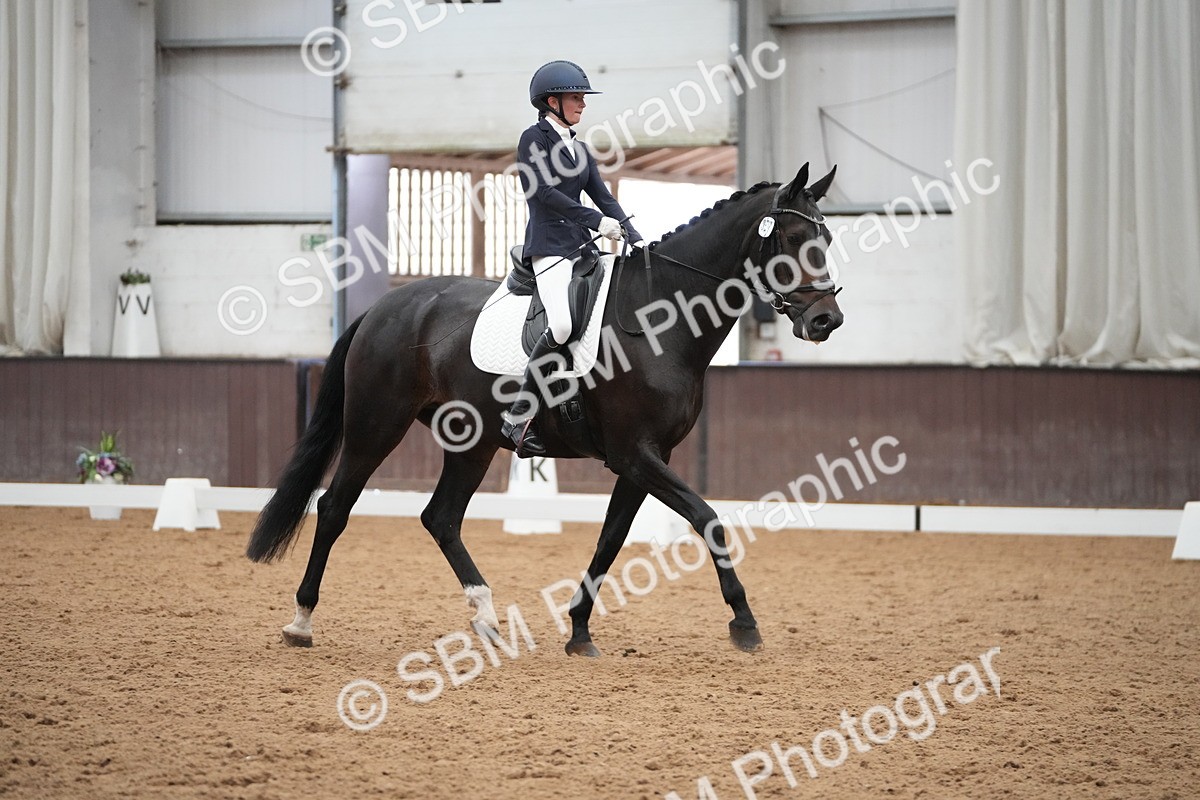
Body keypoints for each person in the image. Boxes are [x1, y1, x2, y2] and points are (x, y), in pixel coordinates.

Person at [501, 60, 644, 457]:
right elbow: (543, 195)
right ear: (552, 102)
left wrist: (634, 236)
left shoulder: (579, 149)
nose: (583, 104)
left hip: (583, 248)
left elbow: (603, 196)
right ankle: (517, 417)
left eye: (583, 98)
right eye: (576, 97)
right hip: (549, 247)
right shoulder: (534, 140)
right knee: (562, 326)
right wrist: (597, 221)